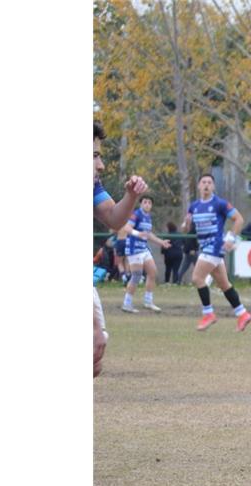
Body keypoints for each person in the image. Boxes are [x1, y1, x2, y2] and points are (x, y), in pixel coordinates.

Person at [93, 120, 149, 376]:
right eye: (93, 156)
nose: (101, 165)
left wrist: (131, 196)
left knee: (94, 359)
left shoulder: (92, 186)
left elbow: (114, 218)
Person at [180, 173, 251, 331]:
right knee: (224, 285)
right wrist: (186, 224)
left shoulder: (220, 203)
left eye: (209, 182)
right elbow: (185, 229)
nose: (206, 185)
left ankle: (208, 314)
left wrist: (231, 238)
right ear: (198, 186)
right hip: (205, 246)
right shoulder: (194, 206)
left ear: (213, 186)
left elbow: (239, 219)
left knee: (197, 278)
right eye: (203, 182)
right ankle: (242, 313)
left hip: (214, 246)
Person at [116, 195, 172, 313]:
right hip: (134, 249)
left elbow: (148, 234)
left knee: (153, 272)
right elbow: (127, 227)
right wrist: (137, 234)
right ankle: (127, 304)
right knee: (136, 275)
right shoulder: (136, 214)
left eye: (149, 203)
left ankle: (148, 301)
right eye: (145, 202)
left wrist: (161, 242)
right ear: (141, 204)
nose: (147, 204)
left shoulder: (148, 217)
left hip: (144, 249)